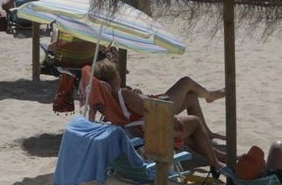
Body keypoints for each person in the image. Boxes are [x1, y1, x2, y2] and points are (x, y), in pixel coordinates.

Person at [90, 58, 225, 171]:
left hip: (139, 127)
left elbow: (132, 111)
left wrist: (138, 95)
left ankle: (216, 151)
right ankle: (215, 161)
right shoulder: (123, 94)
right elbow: (151, 112)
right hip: (156, 121)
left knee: (191, 98)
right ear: (115, 77)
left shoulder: (105, 101)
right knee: (186, 84)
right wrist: (172, 119)